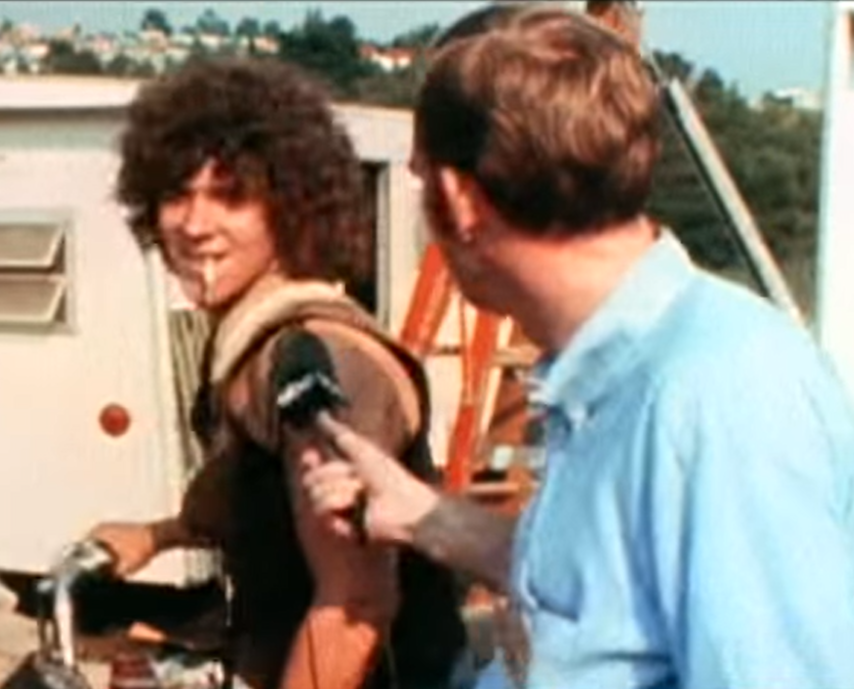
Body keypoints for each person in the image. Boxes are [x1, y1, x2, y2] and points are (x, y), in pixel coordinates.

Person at [300, 6, 854, 688]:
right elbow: (614, 588)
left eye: (422, 180)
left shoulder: (717, 394)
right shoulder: (623, 375)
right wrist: (426, 516)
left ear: (459, 198)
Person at [87, 57, 469, 689]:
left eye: (230, 196)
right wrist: (158, 535)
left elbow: (357, 604)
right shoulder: (252, 344)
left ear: (290, 208)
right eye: (176, 196)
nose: (195, 224)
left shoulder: (311, 356)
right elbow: (256, 489)